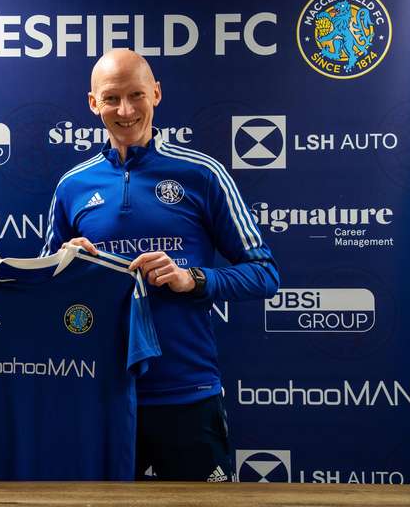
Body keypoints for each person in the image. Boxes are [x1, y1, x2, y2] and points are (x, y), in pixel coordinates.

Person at [41, 49, 279, 482]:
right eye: (111, 99)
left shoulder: (201, 173)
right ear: (93, 104)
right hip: (100, 395)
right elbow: (40, 291)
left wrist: (193, 279)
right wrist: (64, 267)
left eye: (136, 95)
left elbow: (264, 273)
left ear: (157, 93)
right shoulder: (72, 186)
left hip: (187, 393)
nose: (126, 110)